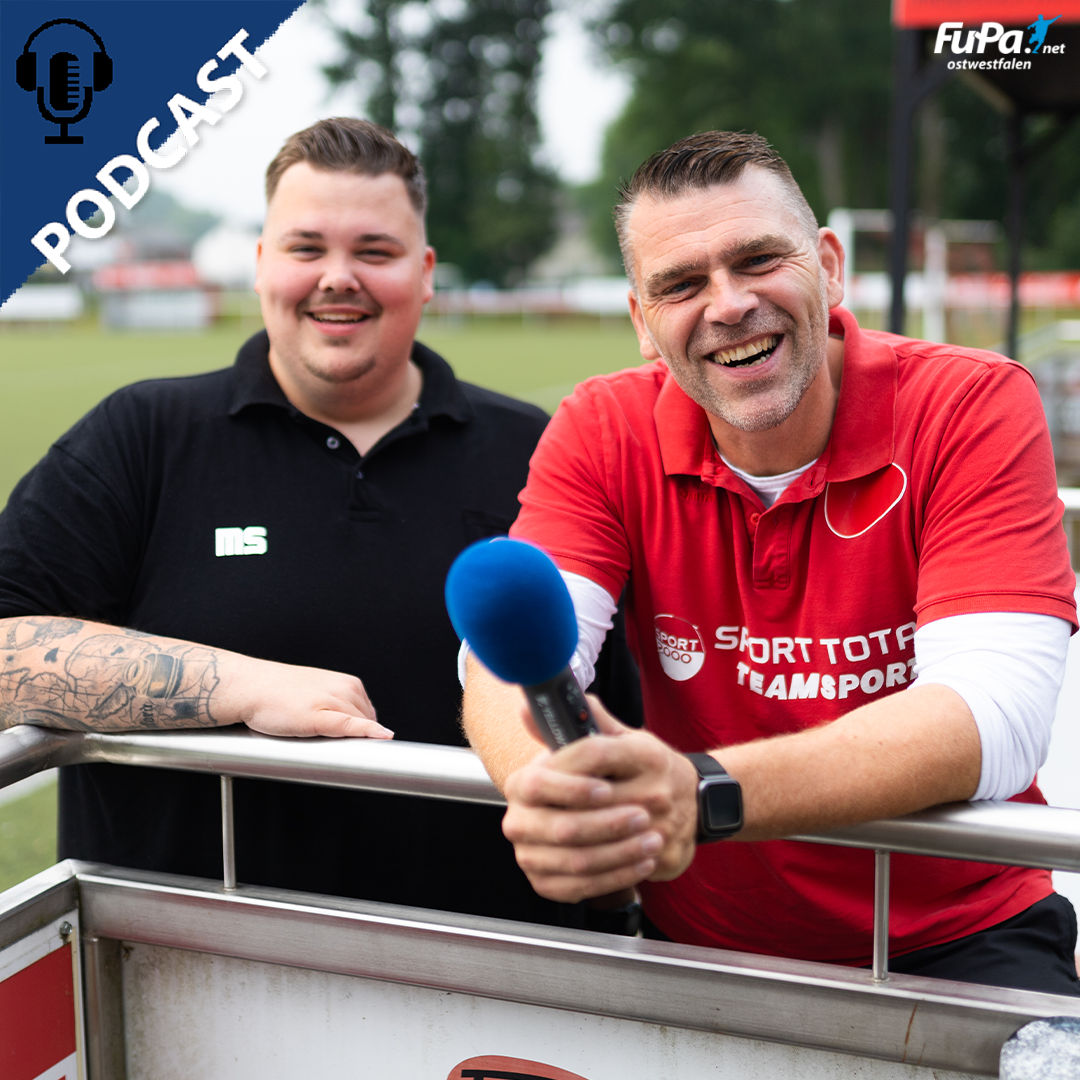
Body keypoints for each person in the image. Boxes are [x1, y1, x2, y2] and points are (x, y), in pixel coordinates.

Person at [461, 130, 1080, 993]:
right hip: (703, 940)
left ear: (829, 267)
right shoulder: (602, 426)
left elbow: (995, 717)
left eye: (757, 259)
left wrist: (699, 791)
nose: (727, 304)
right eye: (680, 284)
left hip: (964, 938)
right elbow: (507, 662)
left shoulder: (970, 401)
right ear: (643, 322)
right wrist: (562, 798)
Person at [0, 117, 635, 927]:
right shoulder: (141, 436)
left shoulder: (543, 453)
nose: (340, 277)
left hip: (498, 979)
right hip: (190, 979)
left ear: (426, 272)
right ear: (262, 264)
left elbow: (607, 717)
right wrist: (240, 684)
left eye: (375, 251)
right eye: (307, 249)